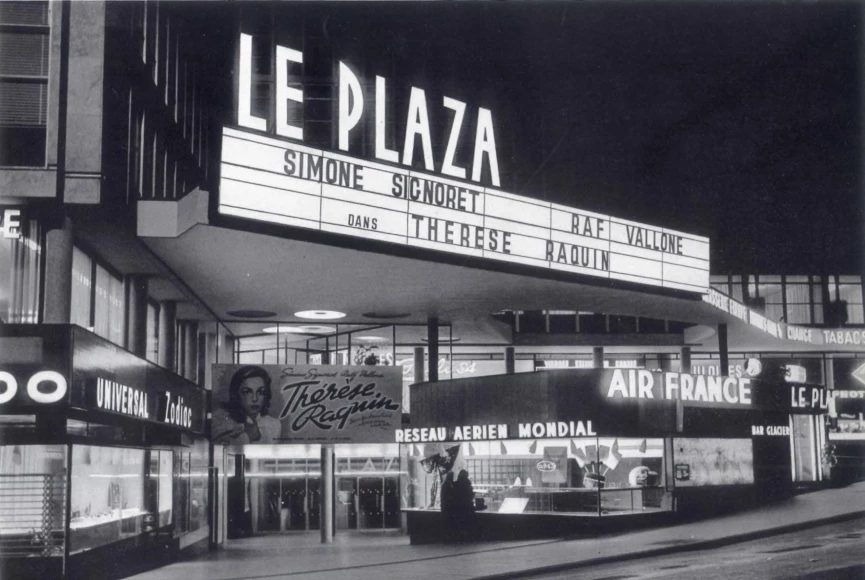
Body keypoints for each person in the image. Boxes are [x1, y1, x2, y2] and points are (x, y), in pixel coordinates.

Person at [213, 366, 282, 444]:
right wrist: (246, 437)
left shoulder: (274, 425)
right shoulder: (221, 422)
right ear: (236, 394)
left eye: (261, 392)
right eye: (247, 392)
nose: (255, 399)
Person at [453, 469, 476, 541]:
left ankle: (459, 536)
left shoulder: (455, 484)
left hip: (458, 506)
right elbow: (470, 493)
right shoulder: (467, 483)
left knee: (459, 522)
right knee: (467, 522)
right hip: (467, 505)